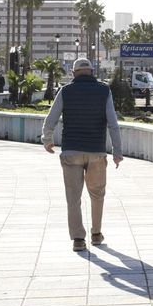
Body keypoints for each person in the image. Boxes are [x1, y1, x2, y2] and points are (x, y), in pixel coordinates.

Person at [41, 58, 123, 252]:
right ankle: (96, 234)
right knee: (97, 195)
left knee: (73, 197)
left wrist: (47, 139)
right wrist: (117, 152)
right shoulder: (104, 91)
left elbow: (51, 118)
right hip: (96, 151)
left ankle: (78, 239)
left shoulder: (66, 91)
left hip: (71, 151)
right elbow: (113, 123)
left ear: (73, 73)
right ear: (92, 72)